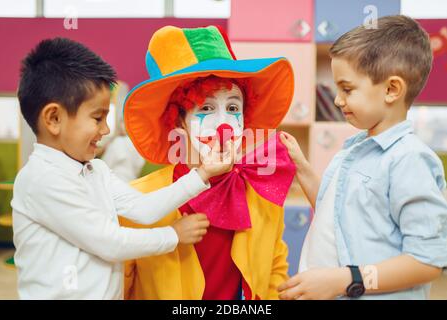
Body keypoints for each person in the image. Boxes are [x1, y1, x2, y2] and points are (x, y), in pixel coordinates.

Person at [11, 37, 235, 299]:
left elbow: (144, 209)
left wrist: (202, 174)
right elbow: (110, 243)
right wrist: (172, 235)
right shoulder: (41, 179)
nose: (106, 129)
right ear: (54, 118)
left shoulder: (95, 170)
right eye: (97, 118)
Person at [120, 25, 296, 299]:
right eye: (206, 108)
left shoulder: (261, 188)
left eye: (233, 108)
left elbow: (275, 267)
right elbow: (120, 286)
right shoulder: (140, 200)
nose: (224, 123)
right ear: (178, 119)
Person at [278, 15, 447, 300]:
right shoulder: (353, 149)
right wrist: (302, 169)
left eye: (347, 89)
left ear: (392, 90)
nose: (336, 100)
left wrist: (347, 279)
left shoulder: (410, 160)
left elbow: (427, 261)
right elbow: (339, 214)